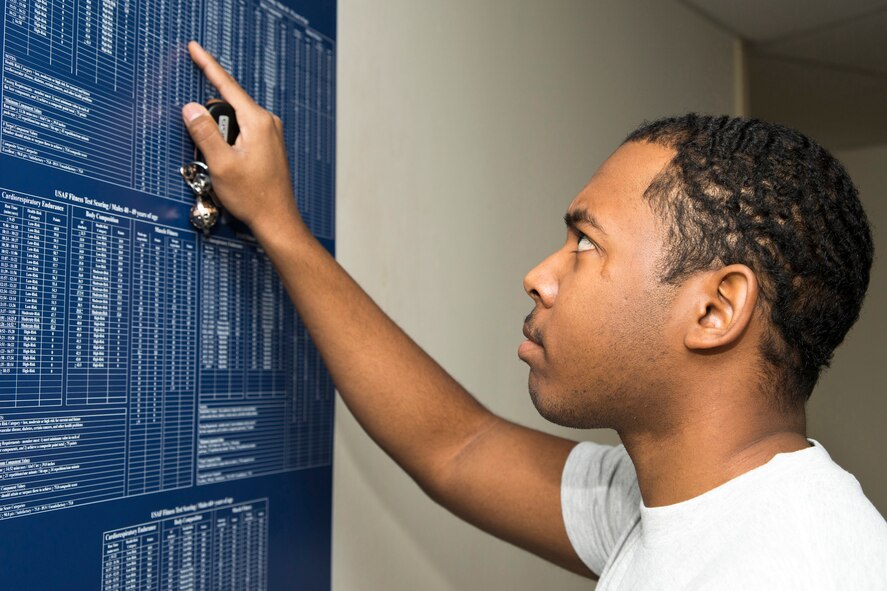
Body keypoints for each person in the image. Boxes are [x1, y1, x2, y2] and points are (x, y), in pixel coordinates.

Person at [181, 41, 887, 589]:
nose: (539, 276)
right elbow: (458, 448)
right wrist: (280, 226)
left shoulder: (794, 569)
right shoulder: (688, 501)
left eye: (586, 242)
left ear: (713, 308)